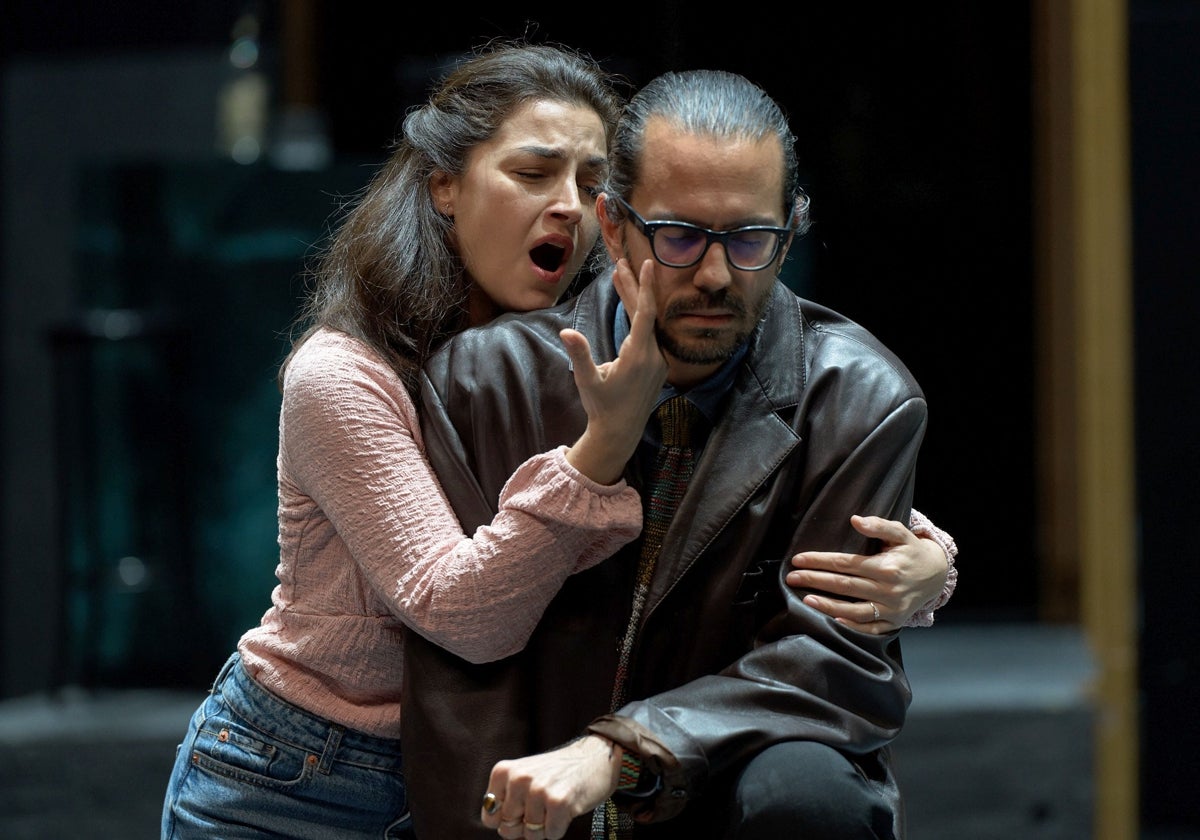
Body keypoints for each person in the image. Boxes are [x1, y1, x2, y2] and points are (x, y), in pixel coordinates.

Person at [160, 42, 954, 840]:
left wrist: (930, 560)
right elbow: (465, 614)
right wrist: (604, 444)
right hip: (299, 767)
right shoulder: (366, 373)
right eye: (534, 174)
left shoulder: (631, 332)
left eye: (587, 179)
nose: (569, 205)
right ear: (443, 183)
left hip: (474, 764)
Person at [404, 67, 949, 840]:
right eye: (680, 237)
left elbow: (835, 668)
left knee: (812, 792)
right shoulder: (488, 380)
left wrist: (621, 749)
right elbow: (462, 670)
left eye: (751, 238)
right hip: (537, 799)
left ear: (790, 230)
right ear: (614, 223)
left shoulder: (859, 397)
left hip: (728, 790)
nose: (716, 275)